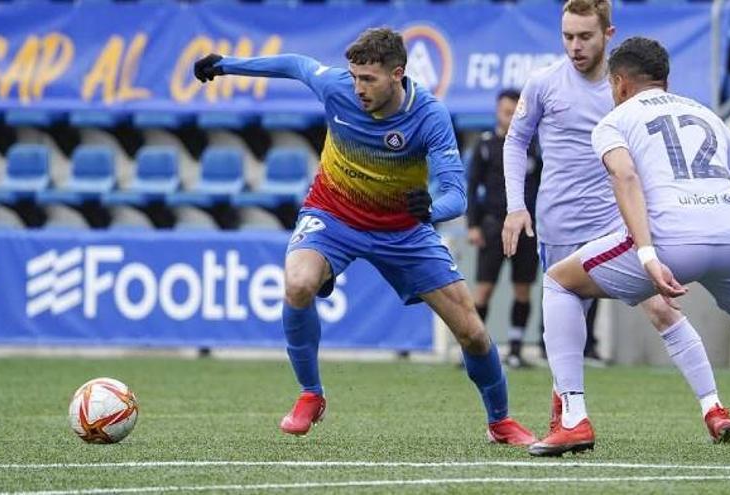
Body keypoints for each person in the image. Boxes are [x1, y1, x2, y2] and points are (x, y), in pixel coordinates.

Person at [193, 27, 536, 445]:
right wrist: (226, 65)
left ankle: (500, 422)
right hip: (334, 214)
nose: (358, 88)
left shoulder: (429, 115)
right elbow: (296, 65)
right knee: (298, 283)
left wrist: (431, 208)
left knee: (471, 331)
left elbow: (455, 196)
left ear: (398, 74)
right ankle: (310, 394)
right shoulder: (338, 88)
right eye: (354, 76)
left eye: (368, 79)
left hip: (402, 230)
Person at [524, 36, 730, 457]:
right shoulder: (709, 115)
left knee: (560, 282)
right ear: (665, 80)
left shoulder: (614, 121)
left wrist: (648, 253)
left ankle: (573, 419)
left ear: (617, 84)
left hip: (672, 241)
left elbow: (625, 178)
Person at [502, 0, 730, 450]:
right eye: (567, 36)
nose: (574, 46)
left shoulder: (627, 89)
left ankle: (713, 406)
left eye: (585, 36)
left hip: (615, 222)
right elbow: (517, 141)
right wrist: (517, 206)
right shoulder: (544, 83)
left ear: (608, 34)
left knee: (662, 308)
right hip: (558, 225)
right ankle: (569, 417)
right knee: (564, 328)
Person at [466, 89, 542, 369]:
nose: (510, 118)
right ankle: (475, 350)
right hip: (494, 225)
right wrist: (473, 224)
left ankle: (515, 348)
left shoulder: (532, 145)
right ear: (498, 111)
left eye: (514, 113)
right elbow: (473, 188)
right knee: (483, 289)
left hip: (527, 228)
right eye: (505, 112)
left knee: (522, 290)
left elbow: (542, 184)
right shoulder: (486, 145)